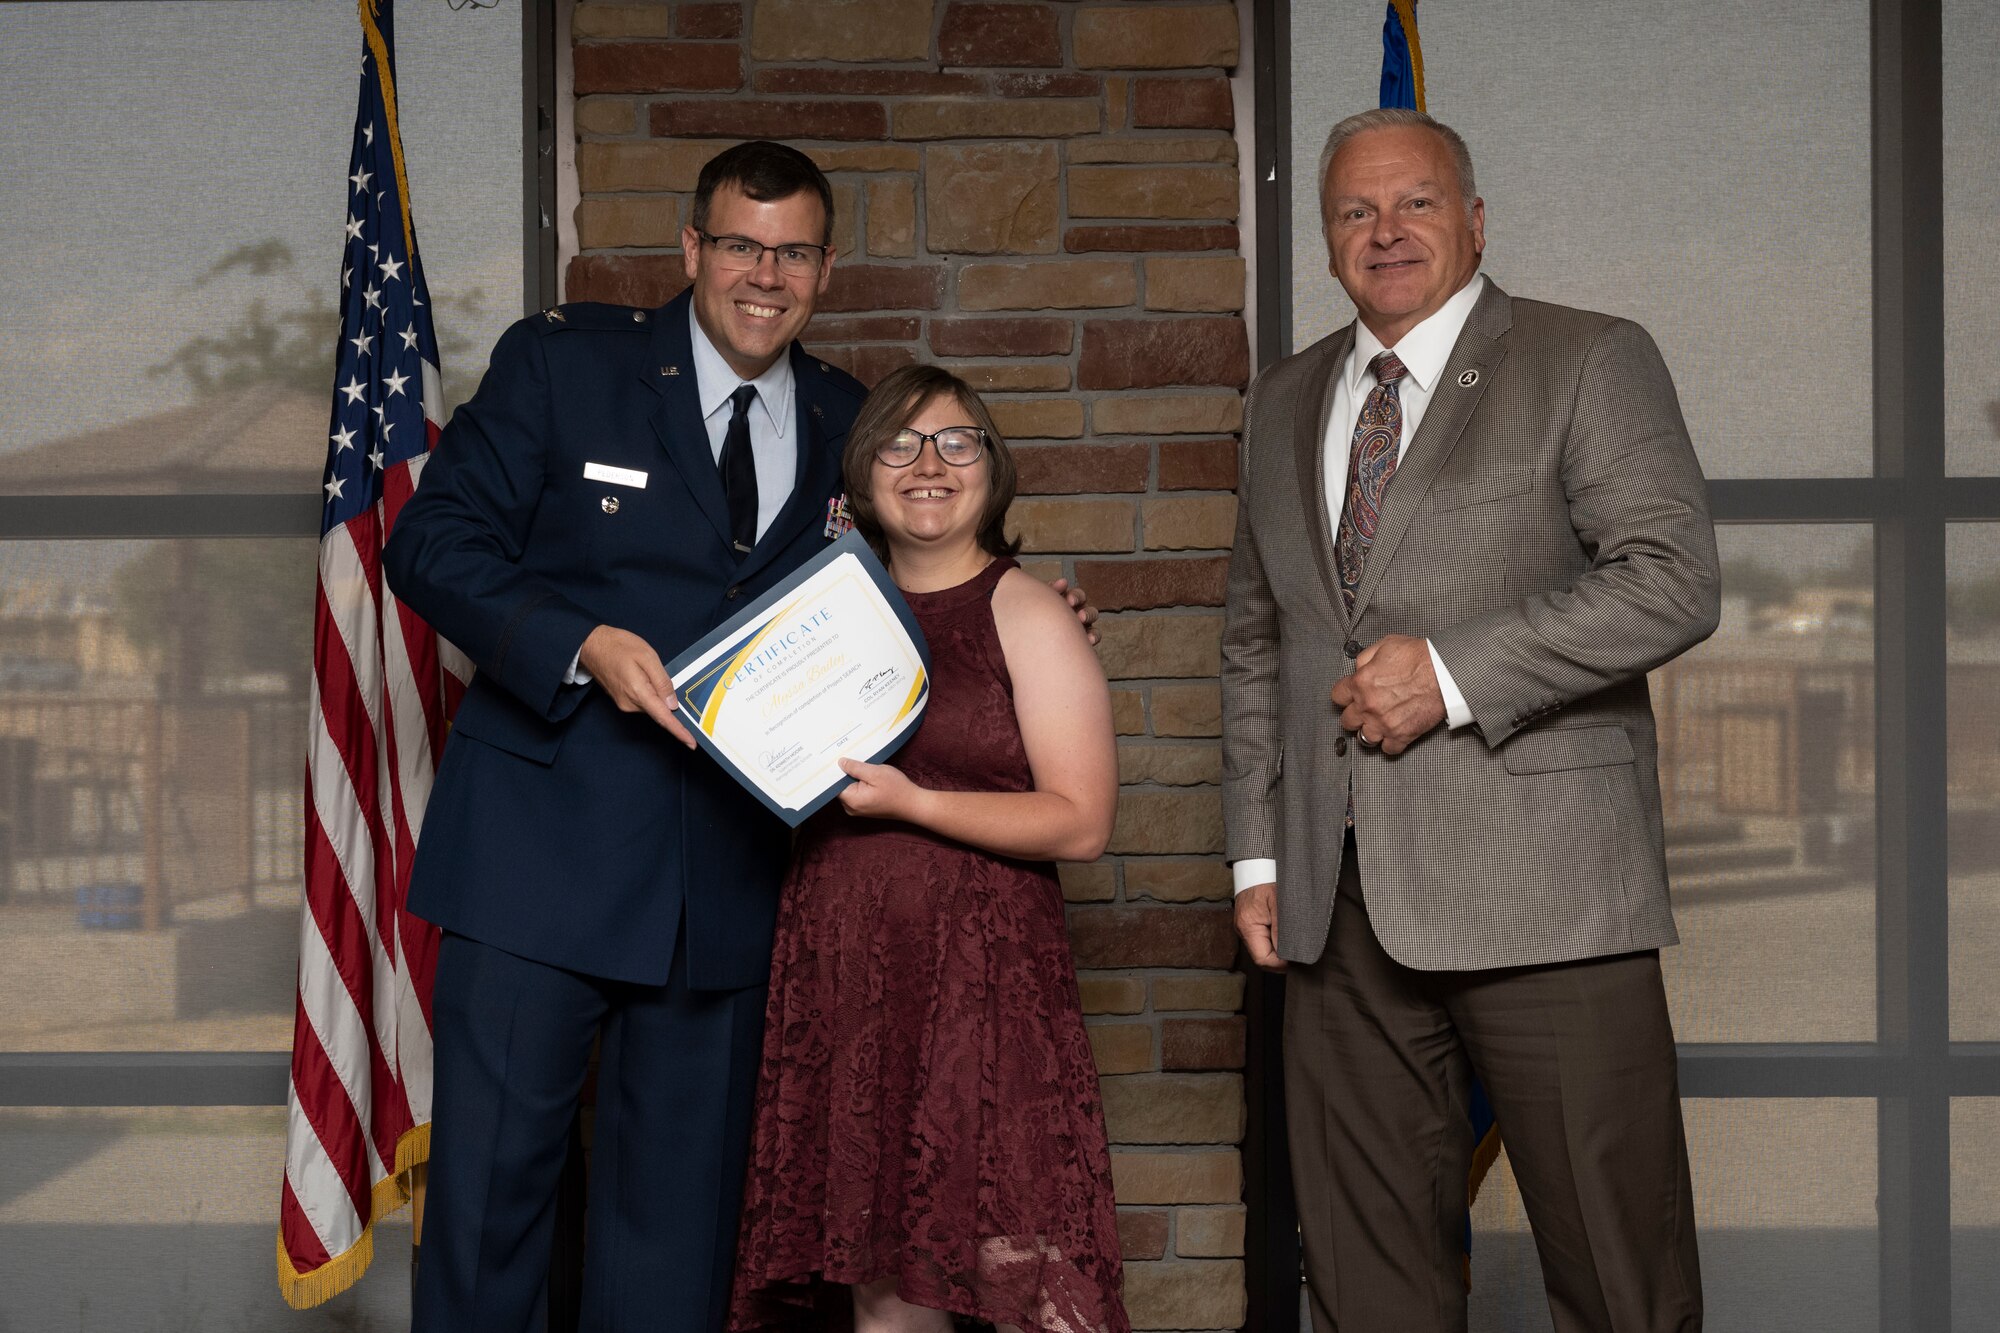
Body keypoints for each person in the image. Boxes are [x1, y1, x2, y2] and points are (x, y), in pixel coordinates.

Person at [384, 143, 1091, 1332]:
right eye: (741, 246)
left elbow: (918, 566)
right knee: (487, 1216)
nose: (766, 274)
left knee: (674, 1251)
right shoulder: (565, 366)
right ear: (693, 252)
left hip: (726, 889)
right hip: (536, 869)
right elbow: (432, 546)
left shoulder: (843, 417)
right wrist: (578, 641)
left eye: (794, 251)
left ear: (822, 267)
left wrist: (1029, 607)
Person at [1222, 108, 1719, 1333]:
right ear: (1327, 240)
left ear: (1476, 218)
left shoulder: (1586, 356)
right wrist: (1254, 850)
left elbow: (1670, 578)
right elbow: (1254, 639)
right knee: (1362, 1280)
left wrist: (1447, 674)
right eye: (1353, 211)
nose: (1384, 231)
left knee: (1618, 1276)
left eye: (1416, 203)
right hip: (1332, 913)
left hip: (1546, 898)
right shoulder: (1281, 400)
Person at [727, 365, 1129, 1333]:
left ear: (992, 468)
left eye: (956, 441)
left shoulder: (1024, 610)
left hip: (981, 982)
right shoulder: (817, 619)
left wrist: (916, 804)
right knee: (884, 1286)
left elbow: (1080, 821)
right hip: (850, 980)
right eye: (898, 446)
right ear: (861, 480)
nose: (928, 465)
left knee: (1020, 1268)